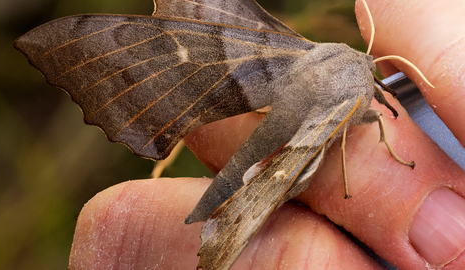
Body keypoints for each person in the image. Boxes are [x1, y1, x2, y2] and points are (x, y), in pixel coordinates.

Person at [68, 0, 465, 268]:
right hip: (283, 133)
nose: (374, 79)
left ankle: (223, 228)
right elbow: (371, 119)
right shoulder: (359, 101)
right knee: (367, 122)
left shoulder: (315, 55)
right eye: (373, 76)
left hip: (284, 97)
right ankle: (223, 229)